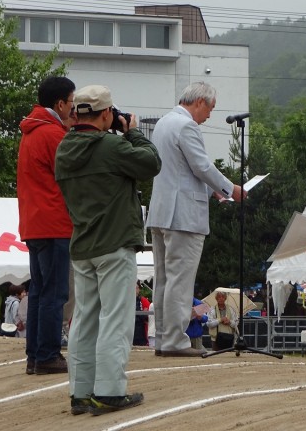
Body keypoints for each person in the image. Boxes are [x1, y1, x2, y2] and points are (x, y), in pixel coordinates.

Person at [55, 84, 161, 415]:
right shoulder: (112, 146)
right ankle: (110, 392)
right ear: (106, 114)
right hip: (114, 244)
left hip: (82, 245)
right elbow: (151, 163)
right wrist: (132, 133)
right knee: (115, 319)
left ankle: (80, 392)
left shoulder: (63, 151)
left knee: (84, 319)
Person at [146, 82, 243, 358]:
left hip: (162, 211)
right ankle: (176, 340)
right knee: (180, 279)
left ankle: (165, 337)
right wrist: (230, 188)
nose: (209, 116)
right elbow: (201, 165)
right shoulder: (187, 126)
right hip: (183, 215)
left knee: (164, 278)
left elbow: (182, 170)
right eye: (210, 108)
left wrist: (212, 189)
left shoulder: (164, 122)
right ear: (199, 101)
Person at [17, 76, 76, 375]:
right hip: (54, 223)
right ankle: (49, 354)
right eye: (71, 102)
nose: (74, 108)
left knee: (40, 290)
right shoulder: (53, 135)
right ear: (60, 103)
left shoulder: (31, 131)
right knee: (54, 292)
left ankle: (36, 354)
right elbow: (73, 173)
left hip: (33, 222)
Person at [133, 282, 151, 346]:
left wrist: (142, 314)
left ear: (139, 290)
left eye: (136, 288)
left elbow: (148, 317)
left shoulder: (144, 300)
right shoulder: (125, 301)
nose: (135, 290)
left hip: (141, 331)